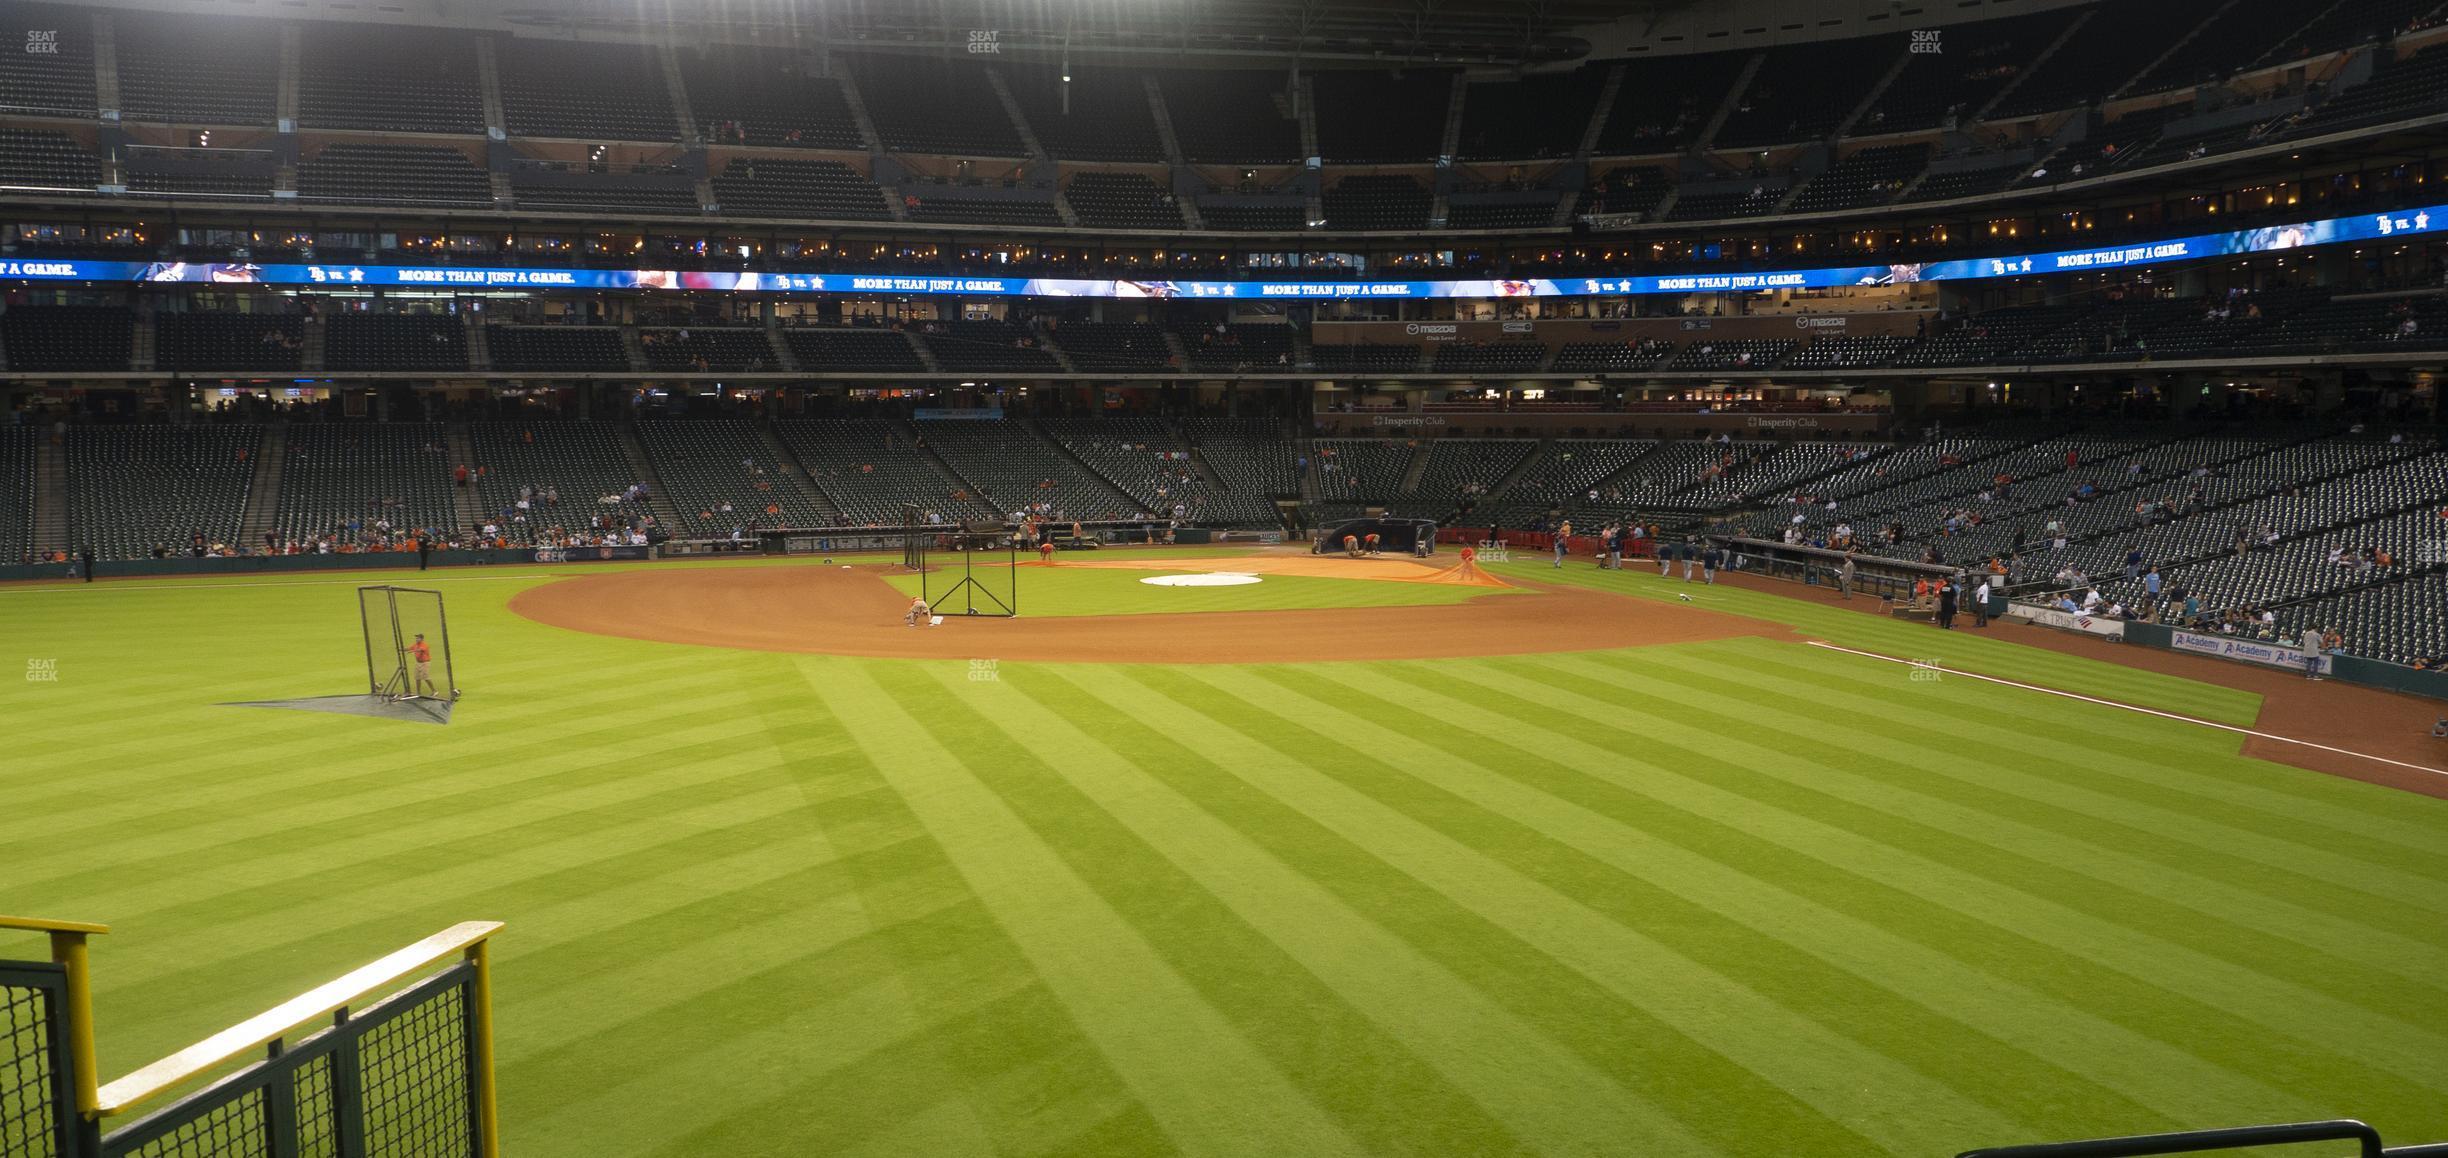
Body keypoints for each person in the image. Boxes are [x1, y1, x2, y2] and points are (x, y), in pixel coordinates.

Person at [408, 633, 437, 697]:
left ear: (422, 639)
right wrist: (401, 649)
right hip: (418, 663)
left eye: (418, 638)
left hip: (425, 663)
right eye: (416, 638)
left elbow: (420, 649)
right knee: (417, 677)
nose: (416, 639)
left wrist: (412, 651)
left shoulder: (424, 645)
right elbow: (409, 648)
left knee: (425, 677)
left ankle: (434, 691)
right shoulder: (415, 645)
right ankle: (418, 693)